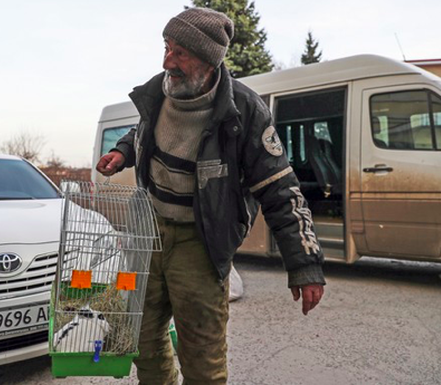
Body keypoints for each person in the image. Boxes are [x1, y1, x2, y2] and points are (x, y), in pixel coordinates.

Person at [96, 7, 325, 385]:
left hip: (200, 241)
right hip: (148, 235)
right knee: (139, 336)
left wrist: (305, 265)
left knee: (202, 357)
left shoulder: (245, 112)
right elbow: (144, 131)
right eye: (167, 47)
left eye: (180, 53)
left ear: (209, 61)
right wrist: (124, 151)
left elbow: (280, 191)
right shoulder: (159, 90)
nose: (168, 60)